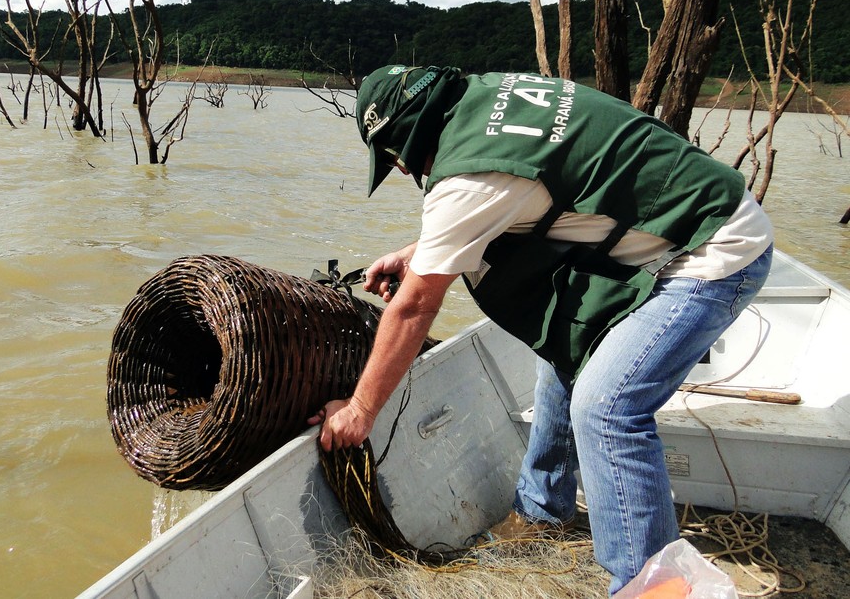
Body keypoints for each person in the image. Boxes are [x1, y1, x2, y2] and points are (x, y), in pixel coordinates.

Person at [307, 65, 773, 595]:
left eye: (395, 160)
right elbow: (514, 195)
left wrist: (361, 409)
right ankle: (541, 511)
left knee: (606, 409)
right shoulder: (489, 97)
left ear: (408, 143)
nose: (403, 169)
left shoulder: (466, 178)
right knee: (563, 352)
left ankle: (651, 587)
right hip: (681, 224)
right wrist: (416, 254)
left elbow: (414, 308)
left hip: (714, 249)